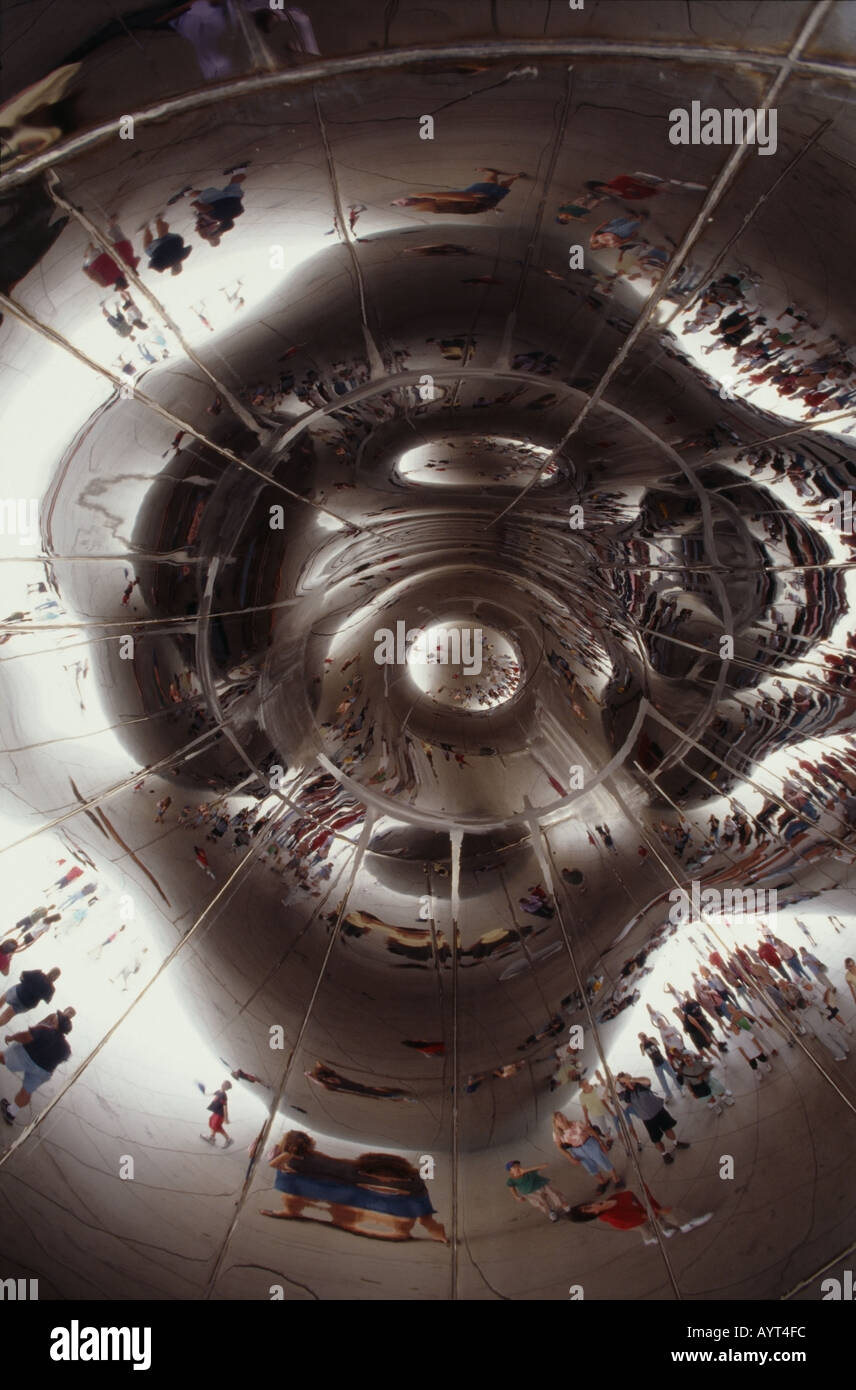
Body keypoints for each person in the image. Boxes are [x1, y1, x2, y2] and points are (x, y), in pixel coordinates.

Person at [0, 1008, 74, 1122]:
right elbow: (59, 1061)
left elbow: (25, 1036)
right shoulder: (67, 1049)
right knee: (27, 1091)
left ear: (57, 1023)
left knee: (4, 1058)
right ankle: (11, 1113)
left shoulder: (44, 1030)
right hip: (42, 1071)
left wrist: (11, 1037)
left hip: (25, 1056)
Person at [567, 1187, 713, 1244]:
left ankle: (660, 1233)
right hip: (632, 1221)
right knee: (661, 1216)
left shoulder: (606, 1204)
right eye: (589, 1211)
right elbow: (641, 1217)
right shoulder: (613, 1215)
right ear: (593, 1215)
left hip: (635, 1218)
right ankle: (687, 1223)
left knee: (646, 1228)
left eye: (586, 1206)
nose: (591, 1206)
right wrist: (658, 1212)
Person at [615, 1073, 689, 1165]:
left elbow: (647, 1080)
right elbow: (618, 1098)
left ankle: (676, 1143)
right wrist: (616, 1082)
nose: (627, 1080)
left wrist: (633, 1080)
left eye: (627, 1077)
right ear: (623, 1084)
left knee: (668, 1128)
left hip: (658, 1110)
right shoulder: (626, 1094)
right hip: (647, 1118)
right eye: (624, 1080)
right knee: (656, 1139)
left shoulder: (641, 1084)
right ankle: (664, 1154)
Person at [391, 168, 528, 215]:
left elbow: (461, 205)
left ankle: (495, 174)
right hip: (479, 200)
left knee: (491, 184)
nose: (405, 201)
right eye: (401, 204)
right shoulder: (433, 205)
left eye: (399, 200)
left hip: (478, 200)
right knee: (500, 186)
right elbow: (461, 206)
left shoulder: (425, 203)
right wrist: (427, 195)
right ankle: (512, 177)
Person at [553, 1112, 625, 1194]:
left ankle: (616, 1179)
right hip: (577, 1151)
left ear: (565, 1117)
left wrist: (601, 1143)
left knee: (603, 1161)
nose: (561, 1120)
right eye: (558, 1120)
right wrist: (570, 1157)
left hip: (589, 1144)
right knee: (590, 1167)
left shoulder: (577, 1123)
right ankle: (603, 1181)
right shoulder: (556, 1133)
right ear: (555, 1124)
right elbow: (559, 1147)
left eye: (561, 1116)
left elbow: (591, 1131)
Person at [505, 1159, 572, 1222]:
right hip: (530, 1192)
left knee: (555, 1195)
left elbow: (544, 1165)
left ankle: (566, 1208)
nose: (517, 1167)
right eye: (514, 1167)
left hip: (542, 1185)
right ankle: (551, 1212)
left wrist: (526, 1170)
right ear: (510, 1171)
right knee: (541, 1203)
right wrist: (516, 1196)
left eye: (518, 1165)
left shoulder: (528, 1172)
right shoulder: (511, 1180)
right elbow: (512, 1188)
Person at [638, 1031, 680, 1099]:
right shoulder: (641, 1045)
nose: (643, 1038)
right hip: (655, 1064)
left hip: (663, 1060)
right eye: (641, 1037)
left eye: (644, 1035)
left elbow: (658, 1044)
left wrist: (650, 1040)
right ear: (639, 1039)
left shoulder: (652, 1038)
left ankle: (680, 1089)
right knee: (662, 1080)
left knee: (673, 1074)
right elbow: (643, 1054)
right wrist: (643, 1044)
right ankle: (668, 1094)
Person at [200, 1079, 233, 1147]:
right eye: (223, 1083)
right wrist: (204, 1093)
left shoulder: (223, 1095)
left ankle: (228, 1139)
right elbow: (211, 1094)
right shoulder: (219, 1091)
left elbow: (225, 1107)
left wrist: (226, 1118)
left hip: (220, 1114)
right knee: (212, 1122)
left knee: (216, 1126)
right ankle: (212, 1137)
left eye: (225, 1085)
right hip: (216, 1112)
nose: (223, 1085)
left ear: (227, 1088)